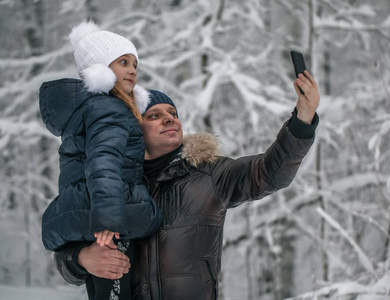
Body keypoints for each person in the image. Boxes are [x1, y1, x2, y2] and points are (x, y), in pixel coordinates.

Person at [54, 69, 320, 299]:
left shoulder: (210, 174)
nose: (170, 118)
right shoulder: (109, 188)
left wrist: (303, 120)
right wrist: (81, 258)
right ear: (134, 129)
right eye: (154, 115)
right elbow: (65, 257)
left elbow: (270, 172)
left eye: (172, 112)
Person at [39, 21, 162, 300]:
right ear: (100, 69)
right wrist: (108, 218)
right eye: (122, 62)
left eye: (134, 63)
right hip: (109, 216)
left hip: (92, 211)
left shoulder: (88, 109)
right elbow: (103, 161)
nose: (132, 69)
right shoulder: (109, 109)